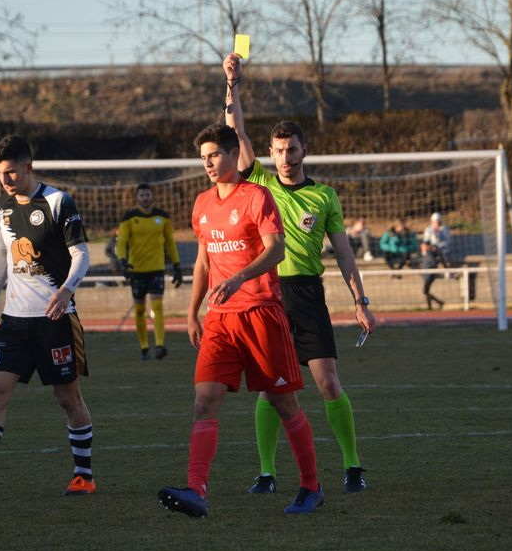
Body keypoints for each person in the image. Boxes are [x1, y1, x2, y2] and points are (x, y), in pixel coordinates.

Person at [224, 52, 376, 494]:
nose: (286, 156)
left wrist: (361, 302)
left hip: (308, 294)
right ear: (269, 155)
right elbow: (236, 131)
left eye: (292, 149)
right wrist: (232, 85)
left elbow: (345, 254)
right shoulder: (261, 184)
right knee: (271, 390)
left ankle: (352, 466)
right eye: (279, 150)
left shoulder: (325, 195)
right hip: (268, 296)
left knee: (328, 383)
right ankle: (267, 473)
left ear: (304, 150)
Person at [157, 122, 323, 517]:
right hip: (219, 320)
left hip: (261, 314)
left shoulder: (257, 197)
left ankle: (311, 487)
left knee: (285, 405)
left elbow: (277, 251)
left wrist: (239, 277)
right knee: (204, 402)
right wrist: (192, 310)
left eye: (214, 155)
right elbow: (201, 262)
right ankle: (196, 489)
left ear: (234, 154)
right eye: (203, 158)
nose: (208, 164)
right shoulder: (201, 204)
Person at [0, 134, 96, 500]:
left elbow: (82, 254)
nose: (5, 180)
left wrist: (67, 289)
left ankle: (84, 475)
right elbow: (0, 256)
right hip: (14, 320)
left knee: (68, 398)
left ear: (28, 167)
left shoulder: (58, 201)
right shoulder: (1, 206)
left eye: (10, 172)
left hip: (55, 320)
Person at [116, 183, 184, 360]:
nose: (145, 198)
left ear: (152, 196)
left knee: (158, 306)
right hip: (136, 270)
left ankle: (160, 345)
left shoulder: (162, 217)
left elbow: (170, 242)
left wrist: (177, 266)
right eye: (142, 195)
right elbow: (121, 242)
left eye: (147, 195)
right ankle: (144, 347)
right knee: (139, 310)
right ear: (137, 198)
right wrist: (123, 261)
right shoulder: (129, 218)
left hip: (157, 269)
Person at [420, 213, 452, 310]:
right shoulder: (428, 230)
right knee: (426, 289)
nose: (436, 224)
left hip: (436, 260)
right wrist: (427, 248)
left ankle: (447, 269)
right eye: (434, 222)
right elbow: (425, 243)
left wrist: (437, 246)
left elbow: (447, 242)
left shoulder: (444, 230)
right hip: (429, 265)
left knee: (426, 289)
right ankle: (435, 304)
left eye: (437, 222)